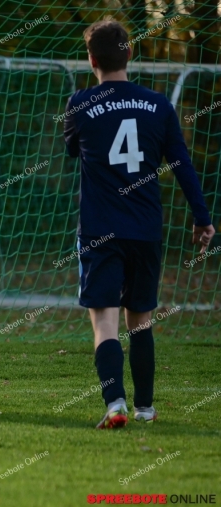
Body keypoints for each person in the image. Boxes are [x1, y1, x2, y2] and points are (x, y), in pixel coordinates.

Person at [63, 19, 215, 428]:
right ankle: (146, 407)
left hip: (99, 230)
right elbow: (182, 163)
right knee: (141, 320)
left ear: (91, 59)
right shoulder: (159, 105)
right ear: (130, 53)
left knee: (105, 323)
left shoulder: (79, 103)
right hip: (145, 228)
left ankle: (115, 405)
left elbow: (71, 150)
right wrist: (202, 218)